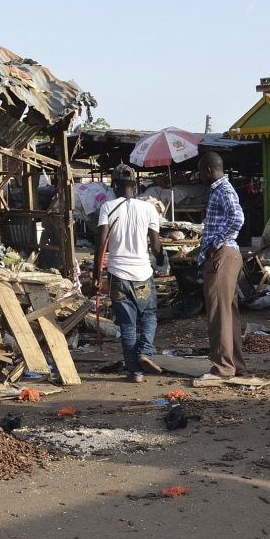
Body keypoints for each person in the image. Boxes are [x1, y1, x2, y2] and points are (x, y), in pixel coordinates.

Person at [94, 164, 166, 383]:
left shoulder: (107, 207)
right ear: (135, 187)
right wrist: (163, 260)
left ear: (115, 186)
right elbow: (155, 246)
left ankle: (135, 372)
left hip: (118, 275)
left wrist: (96, 275)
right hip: (143, 274)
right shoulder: (149, 209)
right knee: (149, 316)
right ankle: (146, 351)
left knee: (127, 324)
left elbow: (101, 244)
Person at [196, 152, 246, 381]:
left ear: (208, 170)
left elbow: (237, 218)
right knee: (228, 312)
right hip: (229, 254)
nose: (199, 177)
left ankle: (223, 367)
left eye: (200, 172)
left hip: (223, 255)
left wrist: (215, 244)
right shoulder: (221, 190)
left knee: (218, 312)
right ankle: (235, 364)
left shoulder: (223, 189)